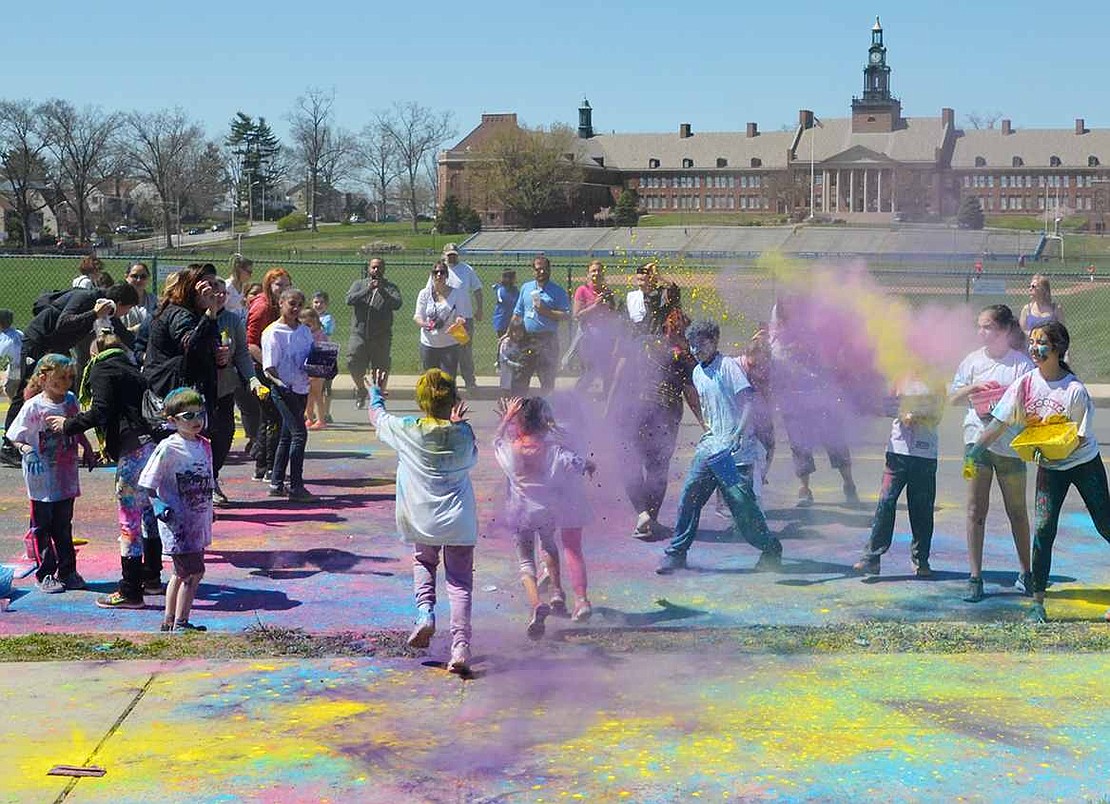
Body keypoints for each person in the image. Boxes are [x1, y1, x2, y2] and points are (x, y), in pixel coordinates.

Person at [966, 322, 1110, 623]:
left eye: (1041, 342)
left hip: (1083, 463)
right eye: (1032, 342)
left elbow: (1078, 438)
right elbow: (999, 423)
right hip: (1050, 466)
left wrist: (1042, 446)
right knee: (1044, 531)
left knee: (1106, 525)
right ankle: (1038, 602)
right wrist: (975, 450)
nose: (1034, 348)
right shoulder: (1026, 384)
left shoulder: (1074, 390)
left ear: (1057, 349)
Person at [368, 368, 478, 675]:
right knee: (460, 583)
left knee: (424, 562)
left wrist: (375, 392)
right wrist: (458, 425)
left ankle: (425, 614)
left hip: (422, 516)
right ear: (453, 399)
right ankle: (460, 646)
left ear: (421, 402)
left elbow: (377, 416)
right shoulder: (464, 433)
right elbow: (473, 458)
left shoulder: (408, 429)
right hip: (459, 518)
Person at [657, 320, 783, 574]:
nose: (695, 349)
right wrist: (710, 432)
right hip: (711, 448)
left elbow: (748, 400)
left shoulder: (728, 367)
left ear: (714, 341)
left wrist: (738, 432)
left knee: (743, 511)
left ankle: (771, 548)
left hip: (736, 453)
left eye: (701, 344)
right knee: (689, 498)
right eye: (691, 345)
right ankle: (677, 553)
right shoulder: (697, 373)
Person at [47, 331, 161, 608]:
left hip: (132, 450)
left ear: (95, 352)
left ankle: (130, 590)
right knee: (148, 514)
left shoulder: (102, 369)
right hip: (150, 447)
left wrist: (67, 425)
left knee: (129, 520)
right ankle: (152, 577)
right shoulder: (132, 369)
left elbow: (101, 410)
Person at [949, 305, 1035, 603]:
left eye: (986, 327)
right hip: (975, 446)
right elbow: (953, 398)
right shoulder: (971, 362)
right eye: (979, 326)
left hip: (1010, 447)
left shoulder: (1021, 365)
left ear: (1003, 331)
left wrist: (1005, 402)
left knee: (1017, 511)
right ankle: (975, 577)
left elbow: (1030, 405)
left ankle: (1026, 572)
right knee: (975, 511)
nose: (980, 332)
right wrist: (974, 387)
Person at [2, 282, 138, 467]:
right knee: (29, 388)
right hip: (38, 341)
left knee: (66, 388)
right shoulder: (85, 298)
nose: (126, 314)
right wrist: (93, 314)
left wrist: (142, 349)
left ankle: (64, 437)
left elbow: (123, 335)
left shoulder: (106, 310)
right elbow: (63, 322)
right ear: (120, 302)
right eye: (127, 309)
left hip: (57, 347)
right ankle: (9, 445)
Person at [494, 396, 596, 636]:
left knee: (526, 562)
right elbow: (575, 462)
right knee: (549, 547)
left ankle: (537, 604)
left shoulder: (511, 450)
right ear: (545, 423)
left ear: (518, 425)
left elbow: (497, 441)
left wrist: (506, 419)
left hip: (520, 513)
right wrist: (589, 466)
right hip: (546, 511)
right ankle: (558, 592)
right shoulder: (554, 450)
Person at [611, 291, 703, 539]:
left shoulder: (649, 344)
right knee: (654, 466)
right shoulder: (684, 355)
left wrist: (613, 403)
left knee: (640, 464)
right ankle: (647, 517)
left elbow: (621, 371)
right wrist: (704, 422)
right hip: (658, 413)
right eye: (679, 330)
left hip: (644, 411)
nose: (680, 334)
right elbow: (690, 393)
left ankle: (646, 517)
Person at [8, 354, 96, 594]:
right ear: (44, 378)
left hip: (65, 474)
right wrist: (27, 450)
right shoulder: (34, 406)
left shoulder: (70, 400)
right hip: (42, 477)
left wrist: (87, 449)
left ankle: (68, 571)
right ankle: (45, 573)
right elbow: (14, 435)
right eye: (60, 378)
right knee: (42, 526)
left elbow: (75, 428)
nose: (66, 383)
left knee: (64, 525)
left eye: (69, 378)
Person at [769, 293, 860, 507]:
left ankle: (849, 484)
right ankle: (805, 488)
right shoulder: (777, 330)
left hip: (819, 393)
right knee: (799, 445)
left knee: (835, 440)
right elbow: (776, 356)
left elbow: (829, 354)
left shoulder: (814, 326)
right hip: (793, 398)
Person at [853, 375, 946, 577]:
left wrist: (917, 416)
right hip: (897, 451)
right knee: (886, 501)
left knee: (921, 507)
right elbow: (886, 406)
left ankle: (921, 559)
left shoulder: (935, 378)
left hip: (925, 452)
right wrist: (898, 411)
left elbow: (938, 414)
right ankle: (872, 557)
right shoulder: (900, 375)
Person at [139, 387, 214, 632]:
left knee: (183, 574)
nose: (196, 421)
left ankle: (169, 620)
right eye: (188, 416)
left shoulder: (204, 445)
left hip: (197, 520)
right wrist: (158, 504)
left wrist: (209, 507)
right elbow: (147, 482)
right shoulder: (168, 447)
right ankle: (180, 622)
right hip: (177, 523)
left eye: (199, 414)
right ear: (173, 421)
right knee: (193, 572)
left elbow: (208, 477)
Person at [212, 277, 263, 504]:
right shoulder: (194, 317)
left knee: (225, 433)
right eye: (216, 291)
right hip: (199, 388)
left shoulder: (232, 320)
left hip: (225, 386)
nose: (221, 295)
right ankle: (207, 483)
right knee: (202, 435)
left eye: (224, 292)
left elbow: (241, 352)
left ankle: (212, 474)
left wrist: (252, 378)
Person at [261, 288, 316, 502]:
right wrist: (282, 387)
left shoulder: (304, 331)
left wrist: (323, 366)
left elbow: (311, 358)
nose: (295, 308)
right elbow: (269, 369)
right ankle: (296, 485)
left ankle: (276, 482)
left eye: (299, 304)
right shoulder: (273, 332)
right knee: (299, 435)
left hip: (302, 388)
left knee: (287, 435)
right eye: (291, 303)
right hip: (284, 391)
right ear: (281, 303)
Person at [247, 268, 292, 482]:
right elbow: (250, 343)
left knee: (269, 418)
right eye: (278, 285)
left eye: (286, 285)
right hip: (263, 370)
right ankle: (270, 465)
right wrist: (269, 366)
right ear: (269, 285)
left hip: (276, 369)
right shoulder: (263, 306)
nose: (282, 289)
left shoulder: (280, 306)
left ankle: (263, 465)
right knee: (275, 417)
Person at [511, 255, 571, 393]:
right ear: (533, 271)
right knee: (520, 377)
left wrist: (546, 312)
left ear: (549, 270)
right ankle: (518, 410)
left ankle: (546, 411)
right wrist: (509, 333)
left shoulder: (558, 292)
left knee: (547, 380)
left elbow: (566, 315)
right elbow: (517, 313)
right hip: (527, 339)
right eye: (538, 269)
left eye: (544, 269)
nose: (542, 272)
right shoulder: (526, 288)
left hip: (547, 340)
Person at [347, 257, 403, 405]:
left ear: (384, 269)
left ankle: (377, 397)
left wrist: (382, 291)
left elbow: (397, 304)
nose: (376, 270)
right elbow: (349, 300)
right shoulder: (359, 284)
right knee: (353, 362)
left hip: (381, 336)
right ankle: (361, 389)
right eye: (373, 267)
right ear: (369, 269)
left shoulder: (390, 287)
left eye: (379, 267)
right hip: (359, 334)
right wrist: (368, 290)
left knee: (381, 368)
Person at [441, 243, 483, 389]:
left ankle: (470, 382)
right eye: (449, 255)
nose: (452, 257)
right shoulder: (440, 270)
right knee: (447, 352)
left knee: (465, 352)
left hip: (464, 319)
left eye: (454, 254)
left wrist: (480, 309)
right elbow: (431, 292)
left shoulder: (466, 270)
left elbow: (477, 289)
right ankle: (448, 383)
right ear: (444, 255)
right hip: (445, 320)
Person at [571, 260, 617, 394]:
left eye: (599, 271)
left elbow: (613, 315)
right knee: (589, 373)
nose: (596, 273)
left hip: (605, 337)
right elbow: (577, 315)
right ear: (588, 274)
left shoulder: (607, 291)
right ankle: (577, 397)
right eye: (593, 271)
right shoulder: (582, 290)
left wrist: (609, 308)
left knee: (607, 372)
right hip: (588, 337)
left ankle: (608, 402)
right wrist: (595, 306)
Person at [414, 261, 468, 377]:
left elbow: (461, 316)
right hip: (428, 343)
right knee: (431, 380)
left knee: (448, 380)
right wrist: (425, 324)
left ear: (447, 275)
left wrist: (458, 322)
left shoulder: (456, 293)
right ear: (432, 275)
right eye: (436, 272)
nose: (439, 275)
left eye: (442, 272)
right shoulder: (424, 294)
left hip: (449, 344)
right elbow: (418, 316)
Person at [299, 307, 329, 430]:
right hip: (306, 368)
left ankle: (321, 419)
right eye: (304, 325)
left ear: (316, 322)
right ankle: (310, 418)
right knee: (308, 396)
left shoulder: (320, 334)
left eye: (310, 324)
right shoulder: (303, 334)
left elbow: (323, 350)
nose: (308, 327)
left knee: (317, 395)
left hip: (317, 368)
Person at [311, 291, 335, 424]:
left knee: (326, 386)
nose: (318, 305)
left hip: (325, 352)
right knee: (312, 386)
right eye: (316, 302)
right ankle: (312, 412)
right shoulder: (308, 317)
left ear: (326, 304)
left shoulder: (328, 318)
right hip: (312, 352)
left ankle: (326, 412)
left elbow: (326, 331)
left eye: (321, 303)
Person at [498, 319, 533, 398]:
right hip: (507, 370)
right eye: (515, 332)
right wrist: (515, 364)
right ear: (511, 332)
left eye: (520, 332)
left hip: (517, 374)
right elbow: (503, 357)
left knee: (517, 392)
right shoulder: (506, 343)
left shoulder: (522, 344)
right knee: (506, 390)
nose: (518, 334)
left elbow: (526, 354)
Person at [120, 263, 157, 333]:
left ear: (148, 278)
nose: (139, 280)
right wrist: (134, 330)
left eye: (143, 276)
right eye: (134, 276)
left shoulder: (155, 300)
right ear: (126, 277)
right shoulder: (118, 301)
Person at [0, 309, 22, 402]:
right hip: (25, 366)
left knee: (9, 391)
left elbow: (2, 359)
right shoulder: (19, 333)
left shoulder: (4, 340)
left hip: (15, 371)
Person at [491, 269, 519, 340]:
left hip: (512, 321)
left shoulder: (515, 290)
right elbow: (503, 299)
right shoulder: (502, 291)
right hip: (502, 321)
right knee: (503, 343)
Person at [225, 254, 254, 320]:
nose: (250, 275)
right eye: (249, 272)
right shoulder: (227, 287)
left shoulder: (243, 286)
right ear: (239, 270)